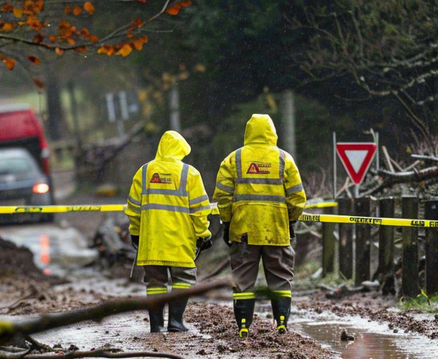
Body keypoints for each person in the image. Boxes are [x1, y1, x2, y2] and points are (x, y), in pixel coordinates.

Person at [213, 114, 305, 338]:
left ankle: (243, 325)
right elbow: (297, 198)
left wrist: (227, 222)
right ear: (272, 132)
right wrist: (291, 221)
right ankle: (281, 322)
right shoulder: (285, 159)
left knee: (243, 279)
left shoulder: (233, 160)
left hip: (243, 231)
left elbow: (223, 197)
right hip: (276, 229)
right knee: (280, 277)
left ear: (248, 132)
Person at [126, 131, 213, 333]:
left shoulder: (145, 172)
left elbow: (133, 209)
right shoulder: (189, 173)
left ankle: (156, 325)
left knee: (155, 281)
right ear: (181, 150)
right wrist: (204, 234)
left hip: (152, 240)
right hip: (180, 240)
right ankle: (175, 322)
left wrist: (136, 232)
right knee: (183, 279)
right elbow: (199, 210)